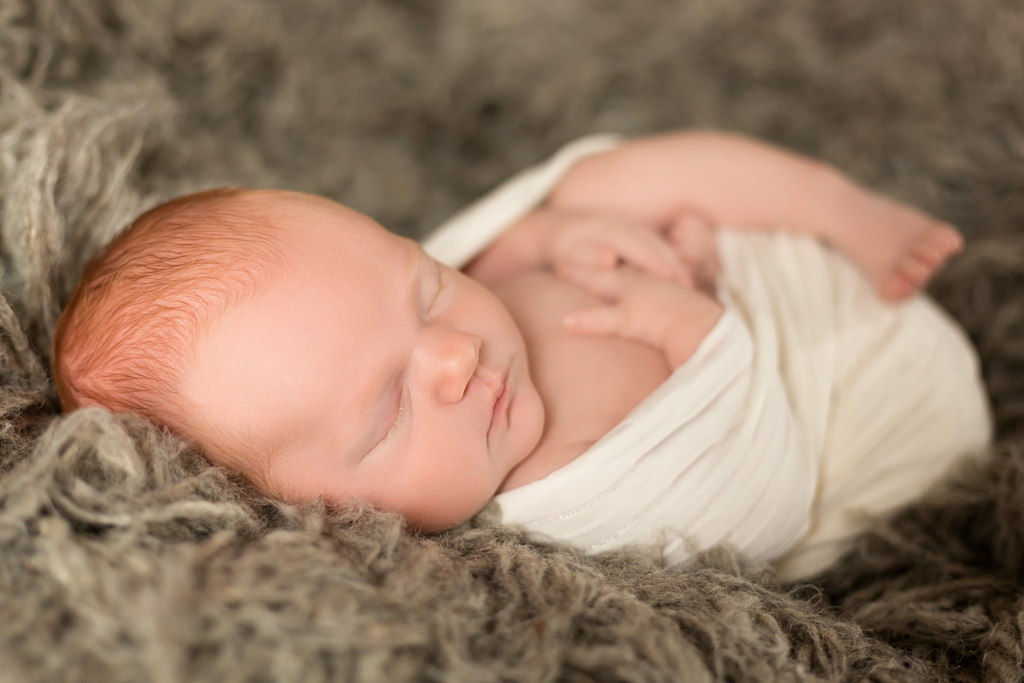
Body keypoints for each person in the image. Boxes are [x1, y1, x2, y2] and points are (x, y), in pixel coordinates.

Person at [51, 131, 991, 580]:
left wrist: (562, 236)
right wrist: (695, 323)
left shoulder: (445, 351)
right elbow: (763, 496)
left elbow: (505, 244)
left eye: (421, 284)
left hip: (735, 263)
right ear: (320, 522)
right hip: (867, 386)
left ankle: (842, 208)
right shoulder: (569, 509)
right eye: (389, 411)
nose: (453, 356)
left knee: (599, 176)